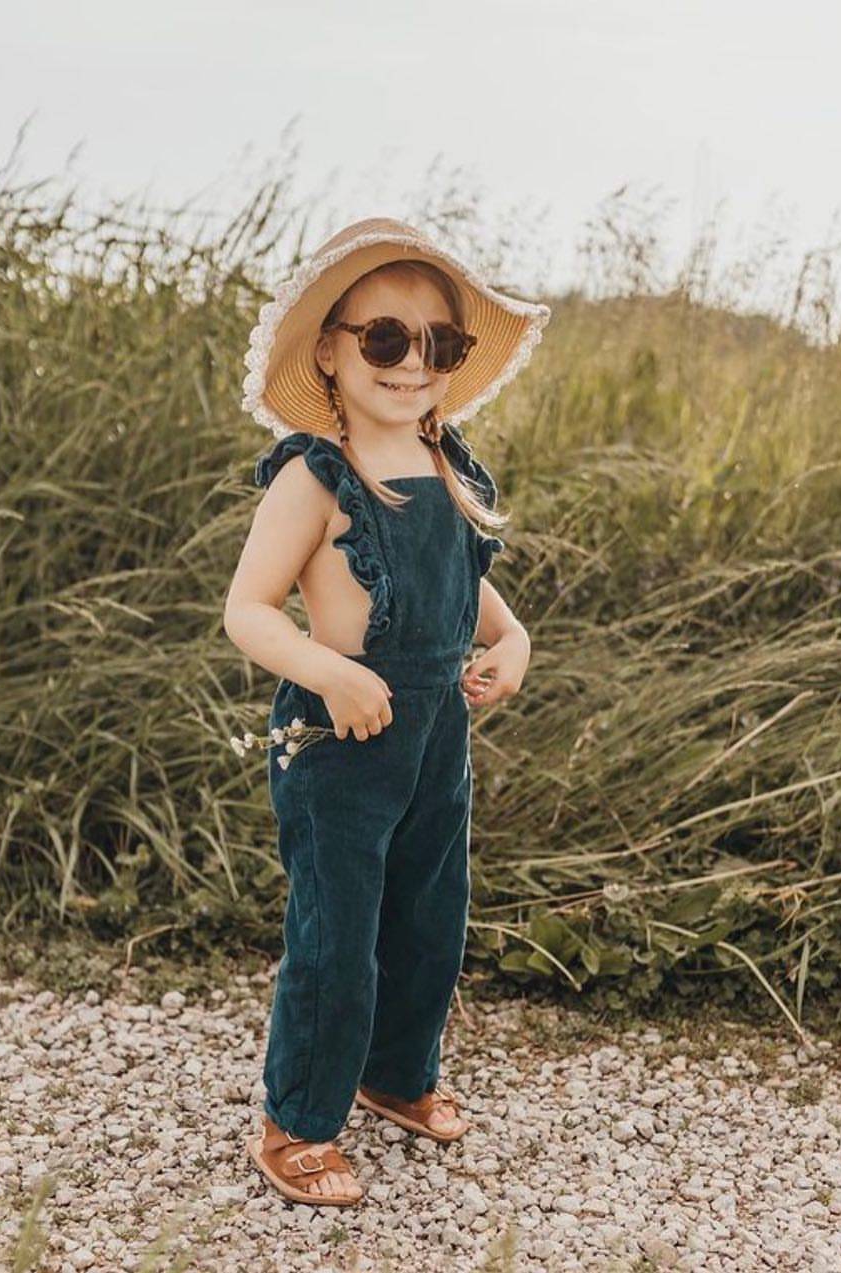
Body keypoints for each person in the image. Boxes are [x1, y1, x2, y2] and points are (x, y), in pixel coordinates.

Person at [224, 216, 551, 1207]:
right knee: (338, 933)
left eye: (436, 344)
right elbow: (245, 610)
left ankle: (393, 1074)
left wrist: (512, 645)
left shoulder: (449, 466)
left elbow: (478, 602)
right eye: (384, 339)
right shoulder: (312, 476)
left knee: (426, 920)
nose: (411, 364)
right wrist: (328, 668)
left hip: (434, 743)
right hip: (339, 740)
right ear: (331, 347)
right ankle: (298, 1120)